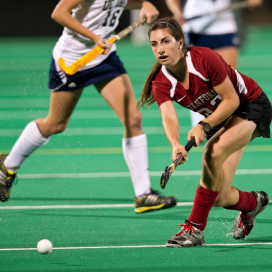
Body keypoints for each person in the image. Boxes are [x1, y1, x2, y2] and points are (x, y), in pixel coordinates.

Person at [0, 0, 177, 213]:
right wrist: (94, 37)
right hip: (74, 60)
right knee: (56, 124)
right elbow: (60, 13)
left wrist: (144, 4)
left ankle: (143, 195)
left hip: (104, 58)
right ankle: (7, 167)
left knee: (133, 119)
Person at [138, 18, 271, 247]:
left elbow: (231, 100)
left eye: (165, 41)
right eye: (154, 44)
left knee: (212, 151)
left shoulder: (204, 58)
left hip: (249, 105)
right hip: (221, 120)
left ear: (180, 42)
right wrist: (175, 144)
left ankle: (195, 229)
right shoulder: (161, 81)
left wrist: (203, 125)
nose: (160, 49)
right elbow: (168, 116)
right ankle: (253, 203)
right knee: (219, 196)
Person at [165, 0, 263, 127]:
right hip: (195, 27)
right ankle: (201, 125)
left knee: (228, 81)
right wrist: (177, 12)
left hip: (224, 27)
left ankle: (225, 127)